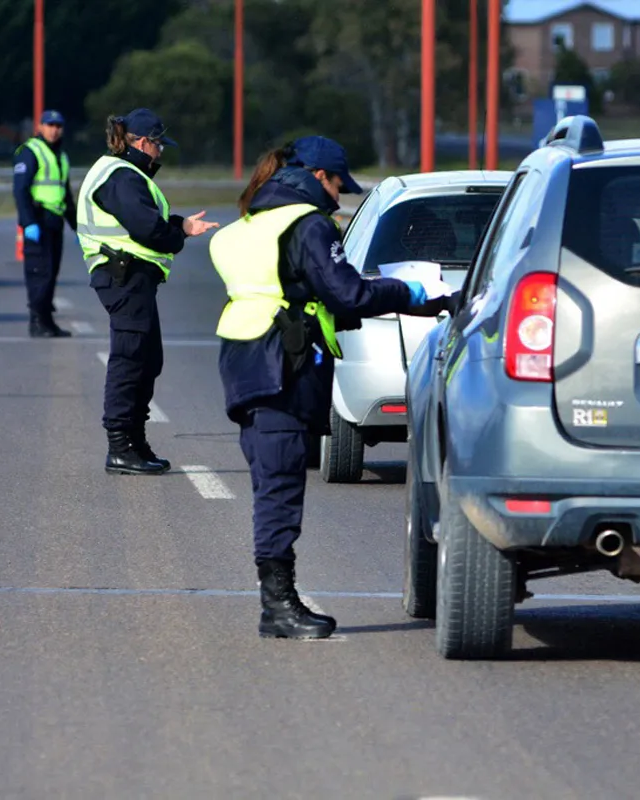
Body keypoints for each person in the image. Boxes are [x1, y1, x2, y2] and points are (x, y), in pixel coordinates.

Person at [209, 136, 447, 640]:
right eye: (339, 184)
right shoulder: (308, 224)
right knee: (279, 489)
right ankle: (279, 606)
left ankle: (278, 602)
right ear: (319, 176)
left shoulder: (252, 222)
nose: (340, 196)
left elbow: (301, 291)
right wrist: (412, 291)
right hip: (282, 369)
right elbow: (347, 292)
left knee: (271, 484)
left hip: (245, 362)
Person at [76, 108, 219, 476]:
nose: (161, 152)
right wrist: (178, 235)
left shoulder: (124, 173)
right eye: (158, 144)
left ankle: (135, 442)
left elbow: (146, 219)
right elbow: (147, 230)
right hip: (123, 274)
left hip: (130, 277)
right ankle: (121, 447)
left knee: (147, 359)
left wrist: (182, 225)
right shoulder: (121, 176)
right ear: (141, 142)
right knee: (130, 359)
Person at [14, 109, 76, 338]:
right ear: (40, 127)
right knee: (39, 273)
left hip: (55, 221)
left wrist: (78, 226)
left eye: (58, 125)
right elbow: (20, 191)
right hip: (37, 221)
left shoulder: (61, 156)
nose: (54, 129)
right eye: (50, 125)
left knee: (51, 274)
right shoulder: (30, 151)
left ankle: (47, 322)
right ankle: (36, 322)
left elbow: (65, 195)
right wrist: (29, 222)